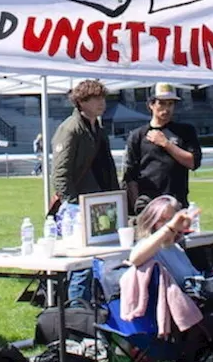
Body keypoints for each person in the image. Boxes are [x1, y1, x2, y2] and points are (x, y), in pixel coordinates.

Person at [52, 79, 119, 301]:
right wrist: (72, 205)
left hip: (99, 202)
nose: (101, 103)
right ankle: (76, 313)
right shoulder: (71, 128)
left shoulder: (96, 127)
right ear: (81, 102)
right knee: (82, 265)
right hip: (79, 206)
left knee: (97, 261)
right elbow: (60, 173)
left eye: (103, 97)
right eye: (95, 98)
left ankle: (88, 309)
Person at [122, 84, 203, 213]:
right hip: (149, 203)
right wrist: (137, 206)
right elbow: (130, 176)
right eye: (162, 103)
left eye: (170, 104)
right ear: (151, 105)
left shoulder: (185, 131)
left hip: (177, 202)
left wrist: (166, 144)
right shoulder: (138, 135)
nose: (166, 109)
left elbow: (193, 162)